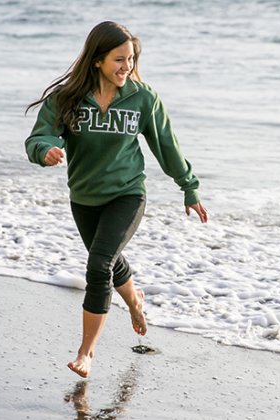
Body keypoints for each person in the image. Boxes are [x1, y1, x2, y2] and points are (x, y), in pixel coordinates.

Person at [24, 21, 208, 378]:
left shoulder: (143, 98)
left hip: (128, 193)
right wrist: (46, 150)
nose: (127, 66)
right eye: (119, 59)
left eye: (132, 59)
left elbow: (165, 146)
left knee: (99, 264)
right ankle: (135, 302)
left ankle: (86, 353)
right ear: (97, 60)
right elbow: (39, 136)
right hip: (84, 197)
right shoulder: (68, 98)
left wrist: (189, 186)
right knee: (108, 259)